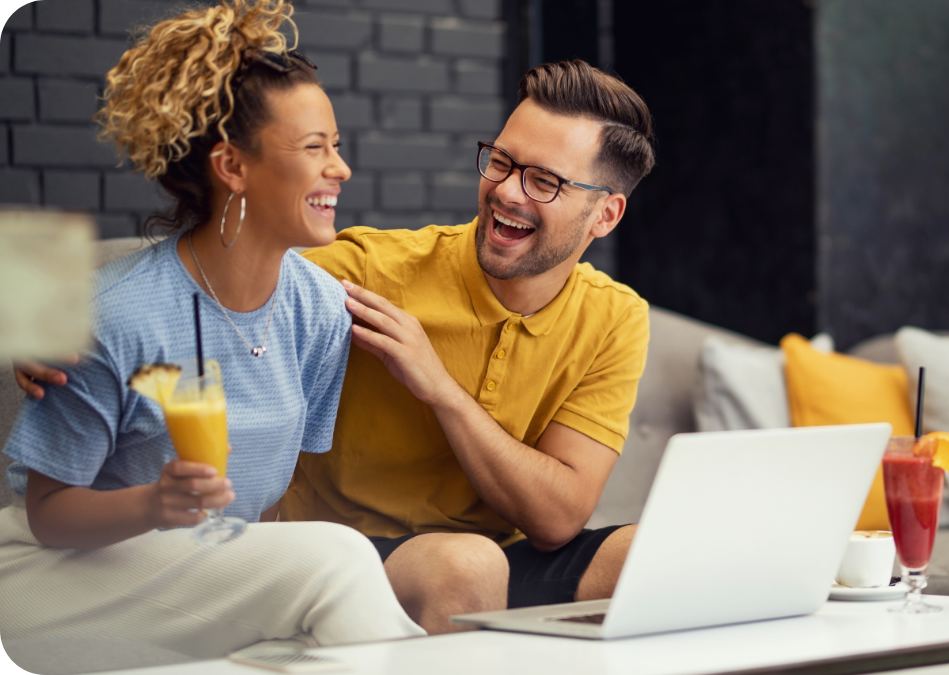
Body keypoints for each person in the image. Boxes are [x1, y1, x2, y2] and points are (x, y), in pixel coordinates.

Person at [16, 60, 657, 635]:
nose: (507, 191)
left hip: (507, 552)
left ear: (605, 216)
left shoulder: (616, 316)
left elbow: (557, 519)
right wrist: (42, 320)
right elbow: (212, 260)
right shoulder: (364, 271)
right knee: (466, 566)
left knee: (656, 556)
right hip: (361, 551)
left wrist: (438, 387)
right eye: (502, 162)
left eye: (544, 180)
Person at [0, 0, 423, 657]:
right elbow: (48, 514)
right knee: (337, 557)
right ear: (232, 167)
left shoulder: (320, 310)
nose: (339, 168)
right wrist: (153, 504)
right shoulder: (111, 314)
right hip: (60, 573)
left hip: (197, 569)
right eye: (316, 148)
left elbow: (266, 515)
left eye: (335, 146)